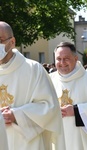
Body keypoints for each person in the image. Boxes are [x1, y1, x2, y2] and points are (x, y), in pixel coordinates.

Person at [0, 21, 65, 150]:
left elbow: (50, 107)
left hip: (28, 143)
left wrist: (17, 115)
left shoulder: (33, 69)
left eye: (0, 39)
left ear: (12, 42)